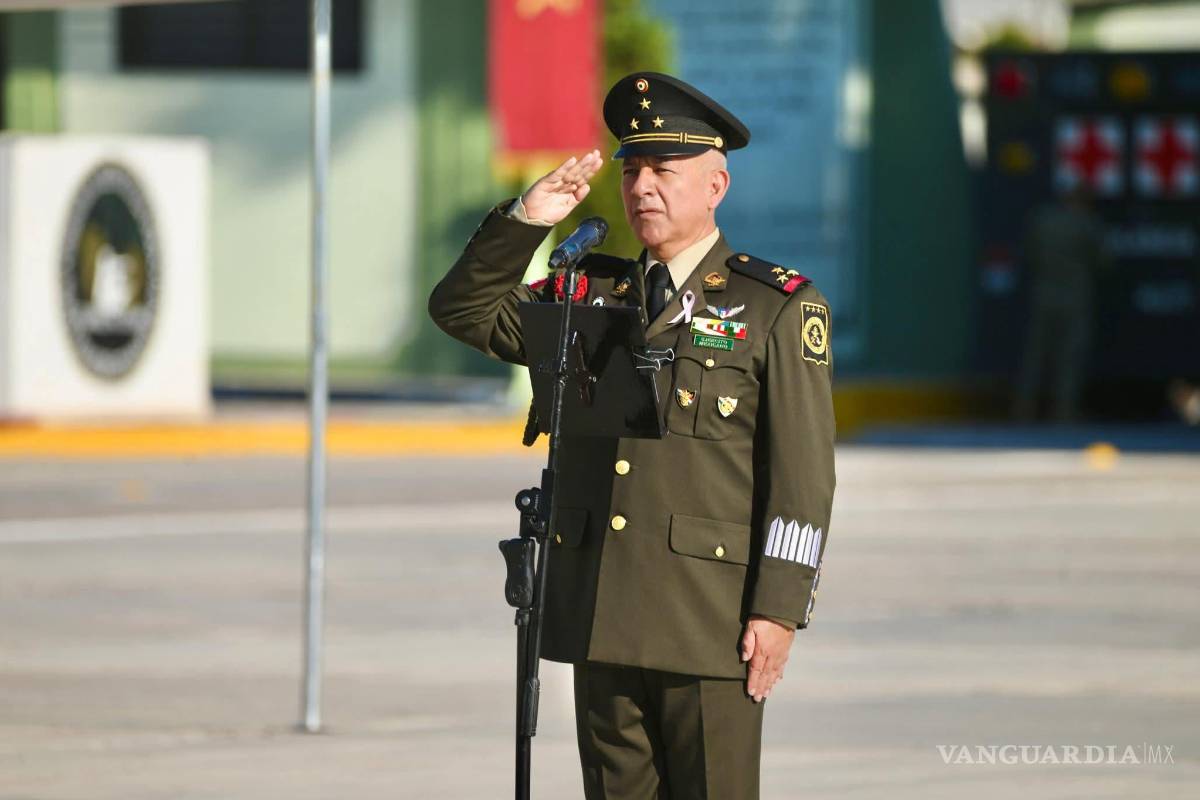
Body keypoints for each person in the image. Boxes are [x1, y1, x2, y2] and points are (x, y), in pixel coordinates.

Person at [429, 72, 836, 800]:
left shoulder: (772, 306)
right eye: (632, 170)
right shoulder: (587, 293)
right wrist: (527, 218)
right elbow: (463, 309)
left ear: (716, 186)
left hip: (710, 622)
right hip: (603, 611)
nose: (643, 186)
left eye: (664, 171)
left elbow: (803, 478)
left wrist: (779, 608)